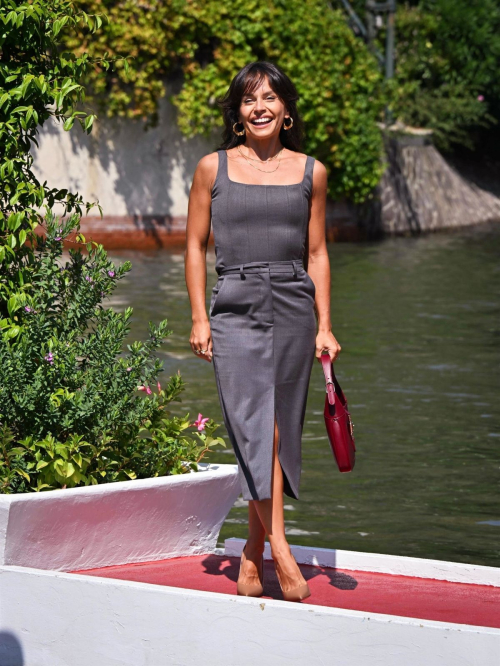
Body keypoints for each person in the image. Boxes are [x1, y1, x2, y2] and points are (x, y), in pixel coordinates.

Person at [184, 61, 341, 602]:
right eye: (250, 99)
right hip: (235, 305)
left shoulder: (311, 171)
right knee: (253, 427)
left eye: (271, 97)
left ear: (286, 109)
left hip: (295, 304)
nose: (261, 106)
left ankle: (251, 552)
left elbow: (317, 252)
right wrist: (200, 316)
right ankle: (281, 547)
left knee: (276, 433)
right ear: (237, 113)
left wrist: (326, 324)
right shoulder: (213, 168)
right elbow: (193, 247)